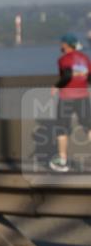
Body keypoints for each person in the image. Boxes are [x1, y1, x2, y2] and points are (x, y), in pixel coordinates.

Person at [50, 33, 90, 172]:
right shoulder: (85, 58)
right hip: (83, 96)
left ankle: (62, 161)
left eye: (62, 43)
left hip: (67, 97)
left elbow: (67, 75)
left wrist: (56, 86)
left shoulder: (64, 59)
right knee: (88, 126)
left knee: (62, 128)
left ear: (66, 45)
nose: (60, 46)